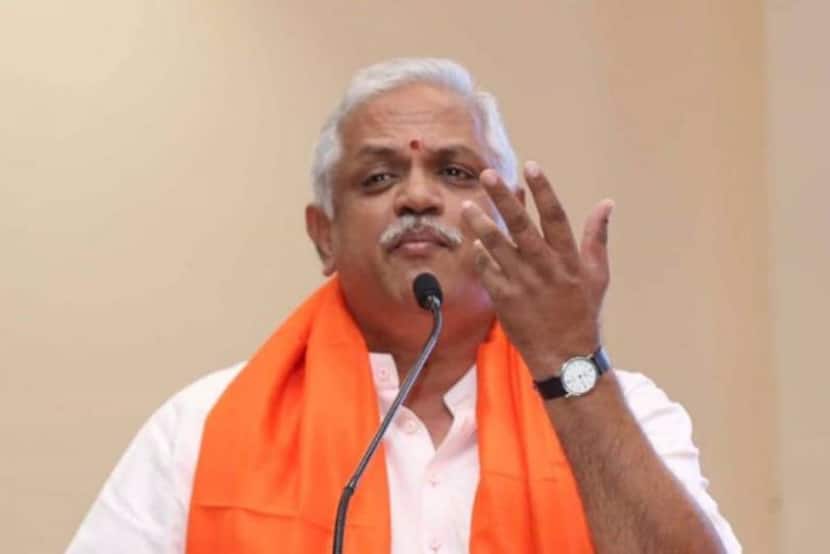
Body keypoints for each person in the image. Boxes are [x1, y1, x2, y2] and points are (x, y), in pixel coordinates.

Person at [67, 58, 741, 553]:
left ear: (505, 219)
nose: (417, 197)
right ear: (324, 235)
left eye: (454, 171)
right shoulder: (199, 429)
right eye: (379, 177)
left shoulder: (622, 412)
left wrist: (572, 366)